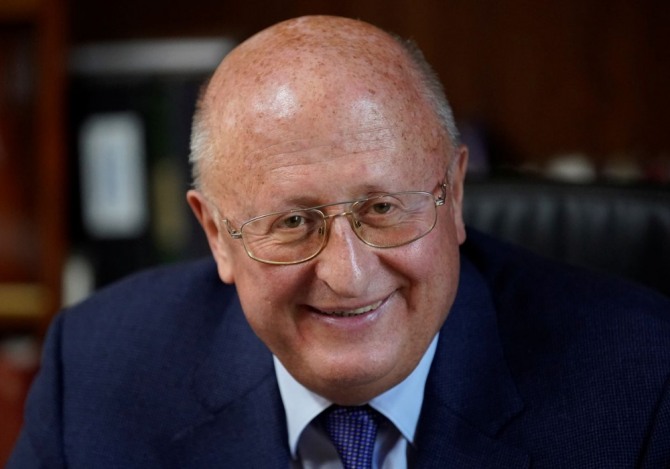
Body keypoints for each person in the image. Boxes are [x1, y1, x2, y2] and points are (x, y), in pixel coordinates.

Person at [8, 15, 670, 469]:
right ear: (216, 236)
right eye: (294, 223)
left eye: (382, 208)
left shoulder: (641, 381)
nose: (348, 276)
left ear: (455, 194)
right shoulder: (96, 374)